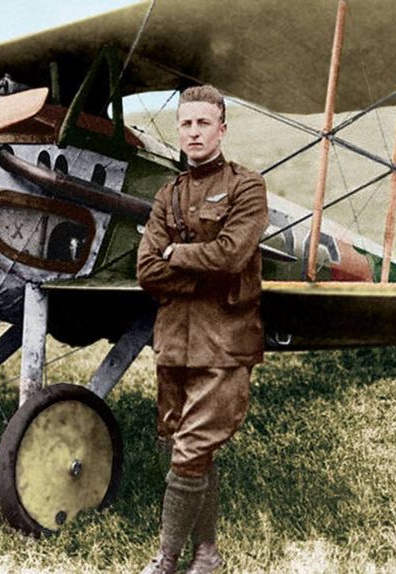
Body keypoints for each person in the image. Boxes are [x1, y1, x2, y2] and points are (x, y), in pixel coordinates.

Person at [136, 85, 268, 574]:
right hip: (174, 341)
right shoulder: (166, 194)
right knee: (185, 443)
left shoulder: (246, 187)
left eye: (204, 123)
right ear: (179, 130)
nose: (194, 132)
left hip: (224, 341)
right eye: (186, 124)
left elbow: (233, 254)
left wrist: (177, 254)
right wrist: (191, 265)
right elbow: (146, 270)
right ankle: (207, 554)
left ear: (222, 129)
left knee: (191, 449)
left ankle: (166, 559)